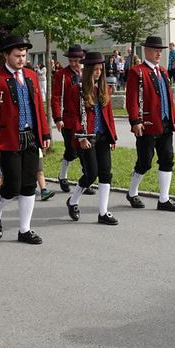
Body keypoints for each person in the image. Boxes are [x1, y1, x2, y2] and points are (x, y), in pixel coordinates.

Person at [0, 35, 51, 245]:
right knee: (12, 185)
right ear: (6, 55)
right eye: (17, 55)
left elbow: (38, 107)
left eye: (24, 55)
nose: (21, 59)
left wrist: (45, 133)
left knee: (29, 185)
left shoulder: (31, 75)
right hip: (8, 138)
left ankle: (24, 229)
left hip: (31, 137)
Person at [124, 36, 175, 212]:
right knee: (145, 162)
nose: (159, 54)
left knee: (167, 159)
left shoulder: (163, 71)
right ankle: (132, 192)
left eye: (160, 51)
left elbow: (168, 97)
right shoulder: (137, 72)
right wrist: (135, 121)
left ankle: (164, 199)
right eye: (156, 50)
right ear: (147, 51)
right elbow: (132, 100)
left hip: (165, 123)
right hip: (147, 124)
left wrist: (174, 118)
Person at [65, 51, 118, 226]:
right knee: (91, 174)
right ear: (87, 70)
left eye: (100, 69)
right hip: (86, 138)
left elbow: (109, 116)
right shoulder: (77, 90)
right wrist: (80, 137)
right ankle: (73, 200)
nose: (98, 73)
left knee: (106, 173)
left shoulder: (104, 89)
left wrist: (113, 137)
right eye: (95, 69)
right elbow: (72, 116)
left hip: (103, 137)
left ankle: (103, 212)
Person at [51, 45, 85, 193]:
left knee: (85, 151)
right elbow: (56, 97)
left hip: (85, 118)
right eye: (71, 60)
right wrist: (58, 118)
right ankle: (62, 175)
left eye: (76, 61)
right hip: (69, 119)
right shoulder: (62, 75)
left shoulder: (87, 72)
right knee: (72, 151)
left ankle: (86, 179)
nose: (73, 63)